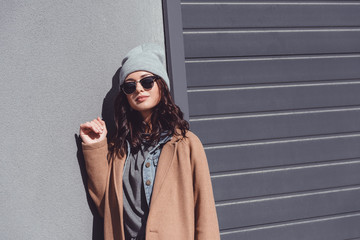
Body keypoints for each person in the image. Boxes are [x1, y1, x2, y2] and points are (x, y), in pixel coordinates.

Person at [79, 43, 220, 240]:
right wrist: (95, 146)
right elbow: (106, 206)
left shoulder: (186, 144)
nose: (138, 89)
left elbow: (205, 215)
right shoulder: (119, 149)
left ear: (161, 84)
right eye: (130, 85)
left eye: (147, 82)